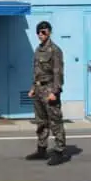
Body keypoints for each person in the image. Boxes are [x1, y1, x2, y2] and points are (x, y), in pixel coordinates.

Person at [26, 20, 69, 166]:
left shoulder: (55, 50)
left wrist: (55, 92)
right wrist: (33, 88)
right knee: (41, 121)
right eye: (38, 32)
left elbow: (58, 73)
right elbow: (36, 71)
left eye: (43, 31)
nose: (40, 34)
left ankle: (59, 151)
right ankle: (41, 149)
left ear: (49, 32)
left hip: (50, 89)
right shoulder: (38, 50)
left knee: (55, 121)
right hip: (39, 89)